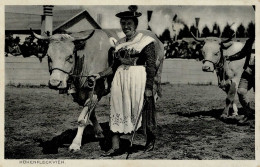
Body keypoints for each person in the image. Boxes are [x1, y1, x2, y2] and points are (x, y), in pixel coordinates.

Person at [92, 5, 157, 156]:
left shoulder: (146, 41)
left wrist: (149, 87)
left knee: (142, 108)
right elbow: (114, 67)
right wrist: (100, 74)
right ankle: (115, 146)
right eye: (123, 23)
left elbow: (152, 66)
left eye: (129, 24)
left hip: (138, 79)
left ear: (135, 25)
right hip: (120, 80)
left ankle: (150, 141)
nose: (125, 27)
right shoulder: (119, 43)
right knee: (117, 108)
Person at [226, 37, 255, 125]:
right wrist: (230, 57)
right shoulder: (250, 41)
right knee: (241, 91)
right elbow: (242, 53)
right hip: (248, 71)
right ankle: (248, 113)